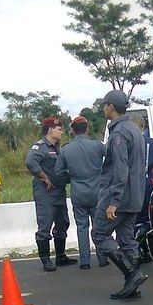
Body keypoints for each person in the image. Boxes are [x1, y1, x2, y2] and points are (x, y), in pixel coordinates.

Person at [91, 90, 147, 300]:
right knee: (127, 238)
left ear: (111, 107)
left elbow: (120, 169)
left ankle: (132, 274)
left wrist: (113, 201)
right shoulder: (134, 129)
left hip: (119, 196)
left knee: (99, 234)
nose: (103, 108)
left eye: (105, 105)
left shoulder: (118, 134)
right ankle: (133, 285)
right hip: (134, 196)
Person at [55, 116, 109, 270]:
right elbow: (112, 159)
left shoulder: (66, 149)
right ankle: (103, 257)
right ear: (87, 128)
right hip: (97, 191)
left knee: (81, 227)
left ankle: (85, 261)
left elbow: (58, 172)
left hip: (78, 192)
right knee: (99, 226)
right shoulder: (97, 145)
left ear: (72, 130)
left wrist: (71, 178)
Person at [25, 117, 77, 271]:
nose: (61, 132)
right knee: (44, 227)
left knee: (62, 223)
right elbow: (30, 161)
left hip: (59, 192)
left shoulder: (58, 148)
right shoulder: (40, 147)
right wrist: (43, 176)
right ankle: (46, 259)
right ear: (50, 130)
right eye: (59, 129)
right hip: (45, 194)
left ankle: (60, 256)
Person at [131, 115, 153, 263]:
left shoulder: (124, 142)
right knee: (148, 217)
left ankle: (138, 250)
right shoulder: (150, 143)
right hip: (147, 183)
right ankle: (143, 244)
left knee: (133, 218)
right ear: (143, 126)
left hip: (129, 185)